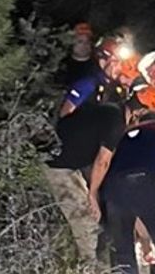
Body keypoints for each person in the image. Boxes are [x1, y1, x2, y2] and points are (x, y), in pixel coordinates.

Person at [88, 82, 155, 274]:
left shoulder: (123, 134)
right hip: (147, 184)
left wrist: (93, 193)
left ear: (138, 115)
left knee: (123, 253)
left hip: (113, 189)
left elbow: (113, 170)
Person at [44, 95, 125, 266]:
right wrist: (92, 194)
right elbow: (102, 160)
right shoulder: (117, 122)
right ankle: (87, 267)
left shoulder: (104, 111)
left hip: (62, 163)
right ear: (137, 113)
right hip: (57, 167)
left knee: (91, 219)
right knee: (86, 220)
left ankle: (90, 263)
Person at [60, 36, 127, 118]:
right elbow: (64, 115)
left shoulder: (117, 88)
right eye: (115, 62)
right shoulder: (87, 84)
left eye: (122, 63)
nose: (119, 67)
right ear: (102, 61)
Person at [57, 21, 98, 87]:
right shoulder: (61, 67)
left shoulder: (98, 67)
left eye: (88, 41)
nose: (84, 45)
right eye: (80, 41)